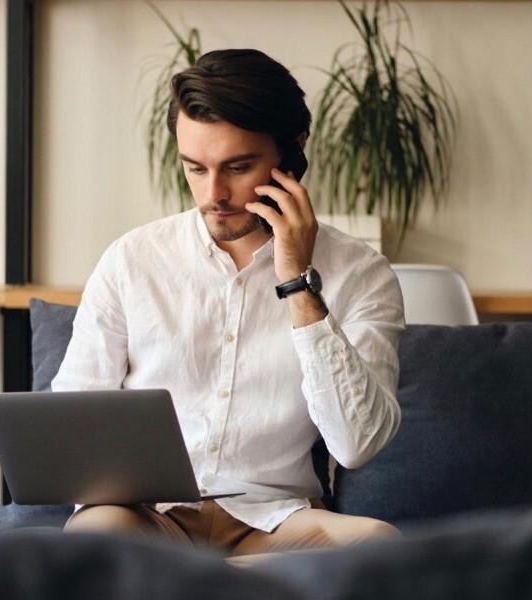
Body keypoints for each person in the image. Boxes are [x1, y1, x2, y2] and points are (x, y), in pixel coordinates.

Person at [54, 49, 406, 557]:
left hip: (274, 524)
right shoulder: (131, 260)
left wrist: (299, 285)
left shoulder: (361, 273)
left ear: (293, 154)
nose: (213, 193)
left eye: (238, 167)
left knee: (380, 547)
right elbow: (70, 425)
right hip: (146, 519)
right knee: (93, 539)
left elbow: (357, 444)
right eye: (194, 168)